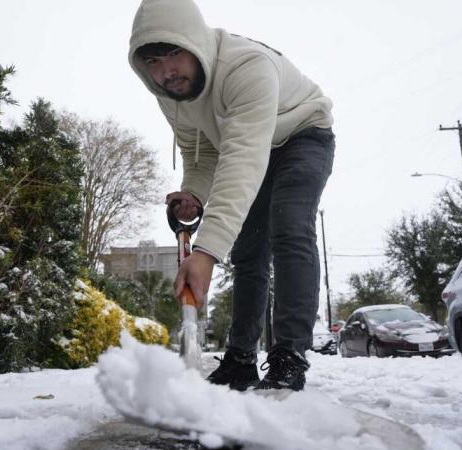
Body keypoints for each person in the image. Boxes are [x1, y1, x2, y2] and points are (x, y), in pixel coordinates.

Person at [129, 0, 335, 391]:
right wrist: (193, 191)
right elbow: (202, 152)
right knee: (247, 250)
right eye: (153, 61)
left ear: (194, 43)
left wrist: (205, 253)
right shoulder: (172, 93)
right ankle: (240, 359)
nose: (166, 71)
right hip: (247, 146)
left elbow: (241, 159)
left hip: (302, 135)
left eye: (173, 54)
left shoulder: (246, 67)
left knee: (288, 226)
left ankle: (289, 355)